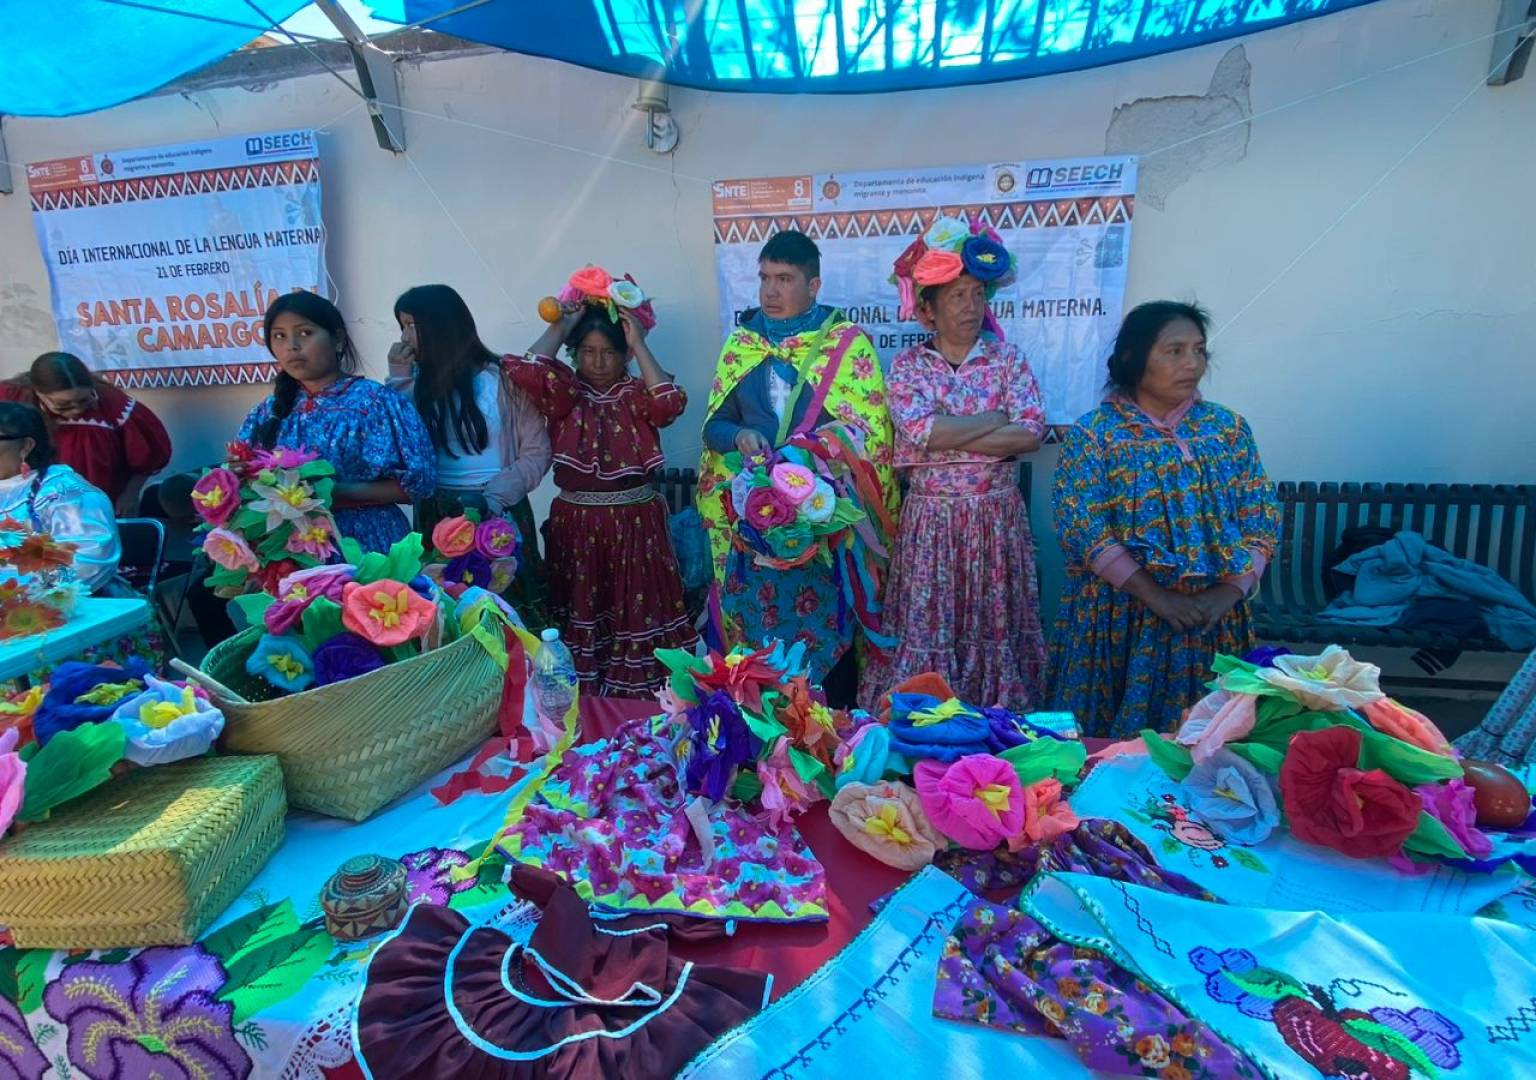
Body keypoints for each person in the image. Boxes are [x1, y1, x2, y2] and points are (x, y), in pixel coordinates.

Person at [1049, 300, 1279, 739]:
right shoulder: (1096, 434)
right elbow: (1082, 524)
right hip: (1119, 623)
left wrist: (1230, 591)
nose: (1191, 363)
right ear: (1134, 359)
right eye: (1174, 351)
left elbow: (1260, 513)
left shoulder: (1226, 430)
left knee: (1209, 751)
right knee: (1109, 757)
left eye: (1199, 350)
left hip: (1211, 622)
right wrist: (1156, 596)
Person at [698, 230, 898, 703]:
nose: (770, 291)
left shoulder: (847, 347)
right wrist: (738, 436)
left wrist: (807, 457)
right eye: (765, 278)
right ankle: (768, 744)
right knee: (761, 643)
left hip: (823, 527)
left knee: (829, 640)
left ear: (814, 285)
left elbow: (868, 435)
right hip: (757, 526)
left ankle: (832, 739)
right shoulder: (742, 345)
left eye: (784, 279)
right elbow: (714, 426)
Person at [863, 220, 1047, 711]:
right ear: (927, 308)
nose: (971, 307)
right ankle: (925, 722)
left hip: (994, 520)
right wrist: (992, 421)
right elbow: (923, 432)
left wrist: (949, 432)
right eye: (957, 296)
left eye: (977, 294)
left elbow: (1030, 432)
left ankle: (995, 724)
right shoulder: (907, 367)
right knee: (930, 624)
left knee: (992, 623)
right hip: (932, 524)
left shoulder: (1007, 360)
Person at [505, 288, 699, 696]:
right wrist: (562, 325)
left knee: (637, 610)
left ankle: (641, 701)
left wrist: (639, 343)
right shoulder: (565, 394)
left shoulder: (636, 395)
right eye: (587, 351)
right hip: (576, 524)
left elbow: (668, 404)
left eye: (608, 352)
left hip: (636, 523)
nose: (596, 362)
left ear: (624, 354)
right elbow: (523, 371)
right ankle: (586, 702)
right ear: (574, 352)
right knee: (582, 609)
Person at [387, 284, 551, 615]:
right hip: (437, 511)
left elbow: (537, 452)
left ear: (440, 327)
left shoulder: (504, 379)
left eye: (411, 325)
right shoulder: (414, 382)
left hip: (498, 509)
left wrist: (495, 498)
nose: (404, 338)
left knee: (509, 608)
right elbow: (401, 444)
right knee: (448, 609)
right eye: (401, 326)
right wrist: (400, 379)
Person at [239, 292, 436, 553]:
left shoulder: (376, 402)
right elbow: (245, 477)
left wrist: (334, 492)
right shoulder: (267, 412)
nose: (292, 346)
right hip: (288, 550)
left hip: (365, 546)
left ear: (338, 338)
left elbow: (418, 485)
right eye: (279, 336)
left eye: (305, 333)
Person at [0, 351, 171, 515]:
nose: (76, 409)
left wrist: (130, 495)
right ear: (37, 392)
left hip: (92, 507)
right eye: (63, 404)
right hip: (22, 504)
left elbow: (149, 457)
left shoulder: (116, 408)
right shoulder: (11, 400)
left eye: (84, 400)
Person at [0, 401, 121, 591]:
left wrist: (22, 592)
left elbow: (88, 560)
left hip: (65, 607)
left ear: (26, 446)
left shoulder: (63, 491)